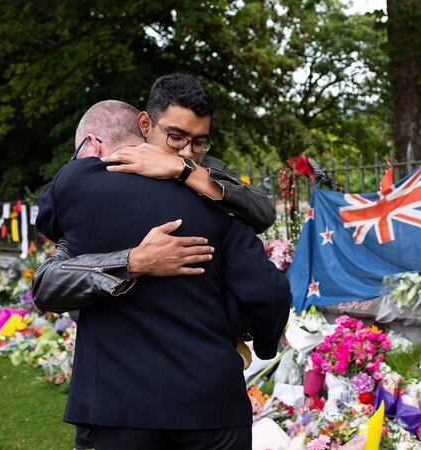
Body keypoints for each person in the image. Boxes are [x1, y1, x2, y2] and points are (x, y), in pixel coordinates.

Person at [35, 77, 290, 449]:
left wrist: (185, 173)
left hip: (114, 404)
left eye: (199, 142)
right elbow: (267, 291)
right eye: (176, 137)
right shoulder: (218, 203)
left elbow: (52, 227)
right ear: (145, 125)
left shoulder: (81, 183)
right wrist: (134, 260)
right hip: (209, 401)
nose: (187, 151)